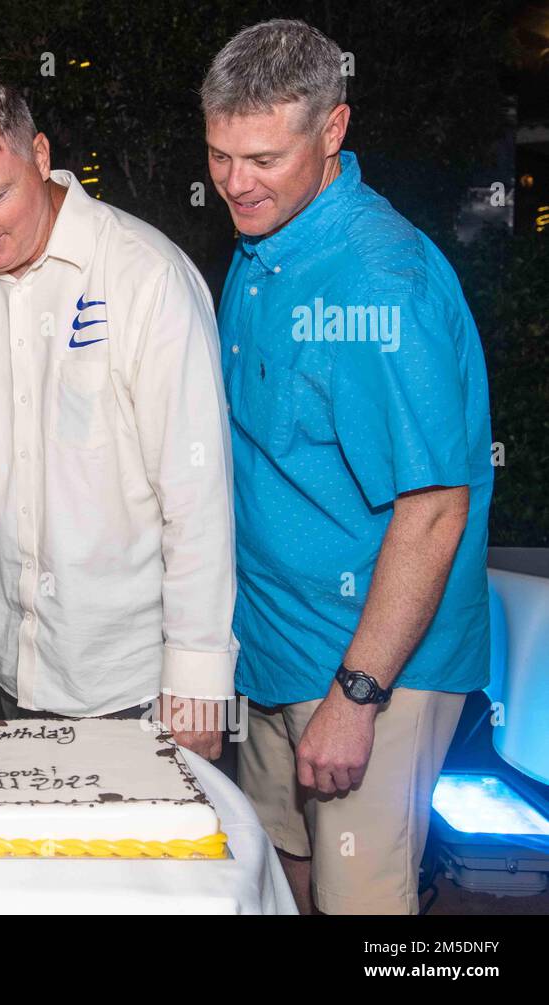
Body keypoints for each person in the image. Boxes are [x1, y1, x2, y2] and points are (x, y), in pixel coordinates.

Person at [202, 19, 492, 914]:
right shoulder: (264, 249)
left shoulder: (378, 281)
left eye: (262, 157)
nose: (235, 184)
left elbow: (436, 506)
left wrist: (359, 694)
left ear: (333, 132)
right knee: (279, 877)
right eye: (218, 155)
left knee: (365, 910)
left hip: (373, 664)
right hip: (277, 649)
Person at [0, 63, 238, 757]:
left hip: (137, 680)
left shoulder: (146, 276)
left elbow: (196, 496)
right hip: (10, 663)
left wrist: (198, 682)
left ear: (41, 156)